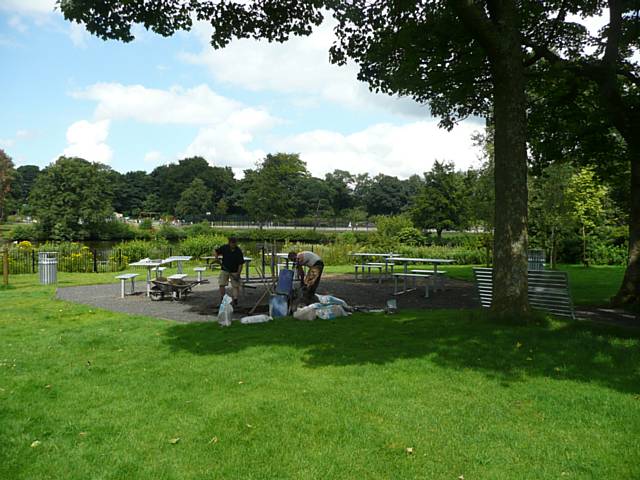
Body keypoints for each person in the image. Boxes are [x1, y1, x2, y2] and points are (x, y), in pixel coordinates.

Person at [215, 237, 244, 307]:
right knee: (221, 284)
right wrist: (216, 257)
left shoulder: (238, 251)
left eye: (235, 243)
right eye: (232, 243)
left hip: (234, 271)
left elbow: (240, 264)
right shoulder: (224, 247)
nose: (233, 244)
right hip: (224, 269)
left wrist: (238, 273)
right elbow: (215, 251)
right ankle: (223, 298)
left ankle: (235, 300)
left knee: (235, 286)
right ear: (229, 243)